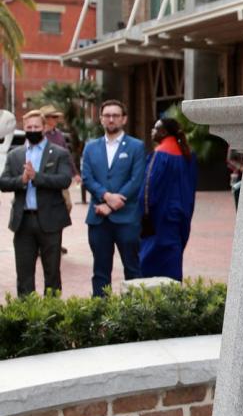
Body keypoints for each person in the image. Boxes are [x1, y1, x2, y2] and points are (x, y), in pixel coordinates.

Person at [0, 108, 73, 297]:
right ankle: (27, 319)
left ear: (44, 128)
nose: (32, 129)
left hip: (50, 221)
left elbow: (64, 180)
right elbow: (3, 182)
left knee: (52, 274)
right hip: (23, 222)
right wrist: (22, 180)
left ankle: (52, 318)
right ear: (24, 127)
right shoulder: (15, 154)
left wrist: (36, 177)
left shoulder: (58, 153)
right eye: (29, 126)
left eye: (36, 126)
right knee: (24, 275)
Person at [81, 99, 146, 296]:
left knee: (132, 269)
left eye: (115, 115)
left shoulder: (136, 146)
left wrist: (112, 205)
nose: (111, 119)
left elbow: (136, 180)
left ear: (123, 119)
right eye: (107, 115)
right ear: (101, 119)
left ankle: (134, 314)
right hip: (98, 220)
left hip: (127, 219)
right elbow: (87, 177)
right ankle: (100, 314)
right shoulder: (90, 147)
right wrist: (106, 196)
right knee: (100, 272)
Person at [139, 117, 198, 280]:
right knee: (173, 259)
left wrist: (143, 217)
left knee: (152, 261)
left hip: (160, 218)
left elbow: (147, 191)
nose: (152, 131)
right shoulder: (188, 155)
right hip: (181, 216)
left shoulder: (160, 156)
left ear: (163, 132)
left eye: (155, 128)